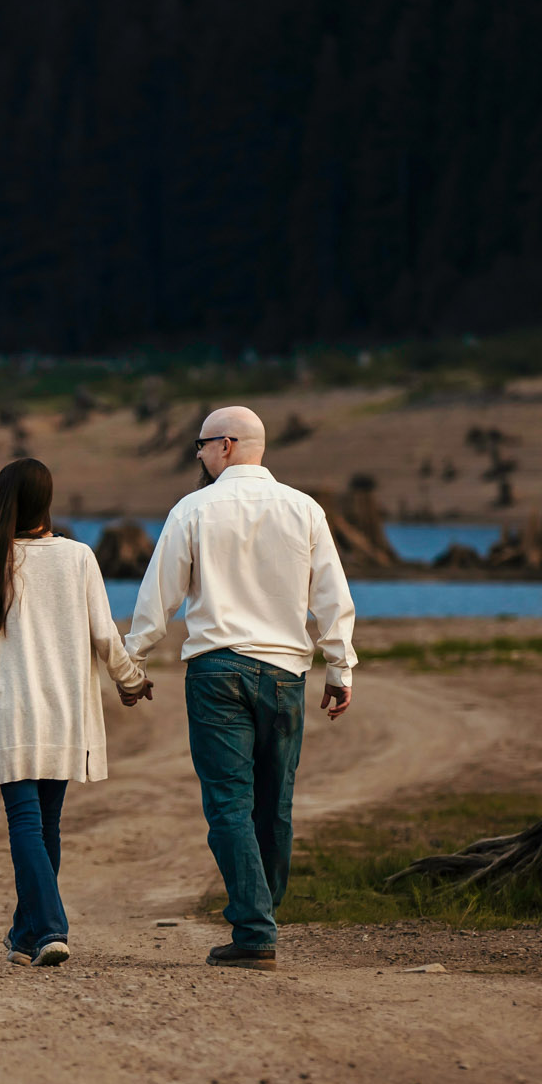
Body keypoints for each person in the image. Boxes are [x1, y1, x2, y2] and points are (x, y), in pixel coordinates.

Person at [124, 406, 357, 971]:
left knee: (229, 801)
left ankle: (255, 928)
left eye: (201, 446)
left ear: (226, 445)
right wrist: (340, 666)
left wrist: (132, 661)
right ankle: (261, 913)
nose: (198, 457)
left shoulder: (193, 509)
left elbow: (160, 595)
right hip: (284, 674)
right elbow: (330, 592)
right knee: (274, 801)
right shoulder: (304, 510)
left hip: (216, 671)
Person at [0, 458, 149, 967]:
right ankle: (27, 934)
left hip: (8, 714)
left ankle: (46, 930)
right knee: (46, 826)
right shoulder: (79, 557)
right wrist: (130, 680)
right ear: (48, 502)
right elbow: (105, 634)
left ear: (3, 503)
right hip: (65, 713)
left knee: (26, 824)